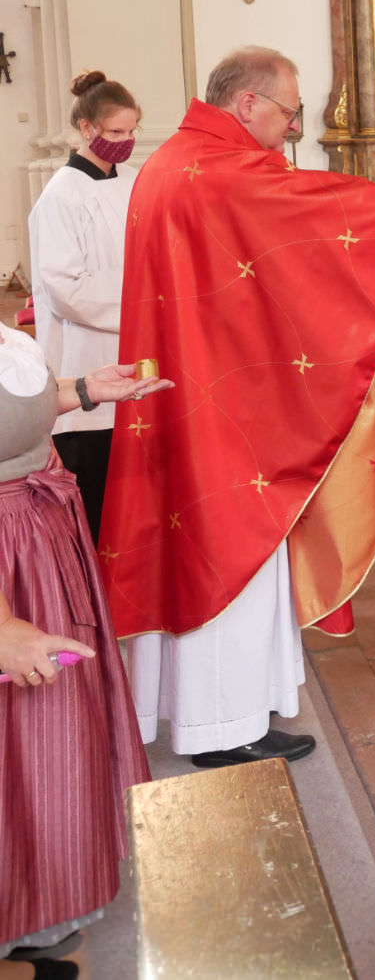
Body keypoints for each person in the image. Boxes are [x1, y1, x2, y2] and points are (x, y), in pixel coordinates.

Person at [99, 46, 375, 769]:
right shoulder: (218, 170)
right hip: (225, 417)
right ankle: (221, 726)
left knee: (206, 552)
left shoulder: (177, 161)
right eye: (289, 113)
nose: (293, 130)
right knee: (231, 550)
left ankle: (220, 714)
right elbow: (322, 215)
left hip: (195, 392)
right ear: (247, 103)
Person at [0, 330, 169, 978]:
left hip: (36, 544)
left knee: (47, 738)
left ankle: (38, 900)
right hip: (9, 565)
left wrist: (83, 391)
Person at [28, 71, 141, 544]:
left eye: (132, 131)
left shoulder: (136, 181)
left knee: (135, 498)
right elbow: (64, 289)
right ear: (85, 128)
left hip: (134, 351)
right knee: (94, 502)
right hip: (85, 363)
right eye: (115, 132)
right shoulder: (61, 196)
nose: (126, 141)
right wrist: (142, 294)